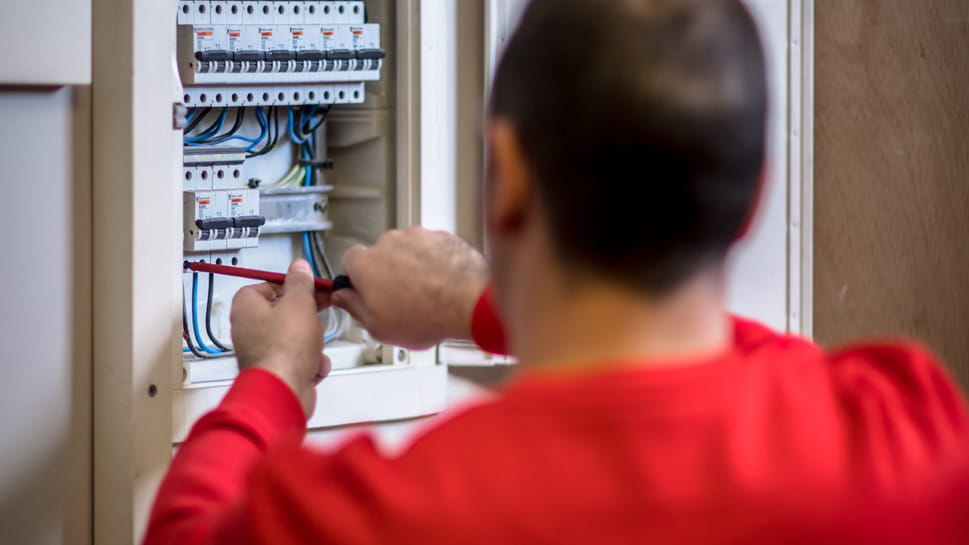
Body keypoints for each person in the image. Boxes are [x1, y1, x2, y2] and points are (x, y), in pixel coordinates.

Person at [144, 0, 969, 543]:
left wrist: (274, 376)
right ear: (753, 199)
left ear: (507, 176)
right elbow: (754, 371)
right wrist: (474, 303)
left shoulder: (393, 512)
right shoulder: (912, 434)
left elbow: (187, 530)